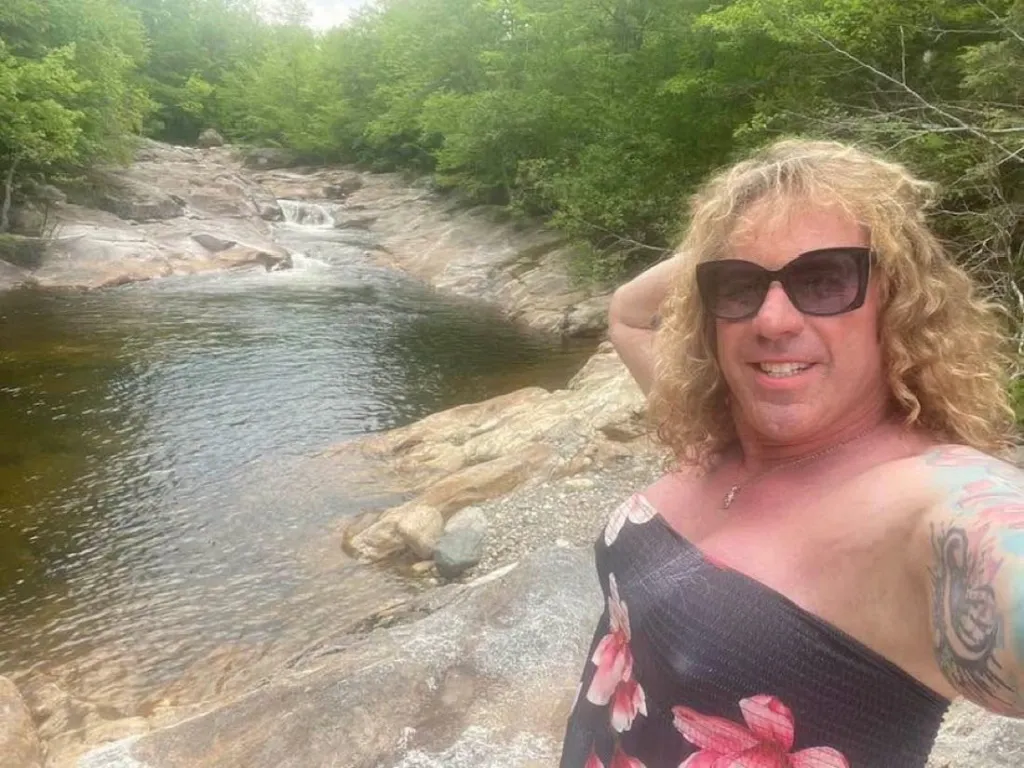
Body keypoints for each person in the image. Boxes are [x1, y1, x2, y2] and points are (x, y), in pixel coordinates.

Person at [560, 139, 1024, 768]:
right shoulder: (724, 434)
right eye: (739, 286)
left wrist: (863, 238)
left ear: (896, 298)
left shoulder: (929, 497)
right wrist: (745, 233)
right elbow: (629, 315)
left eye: (824, 280)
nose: (772, 320)